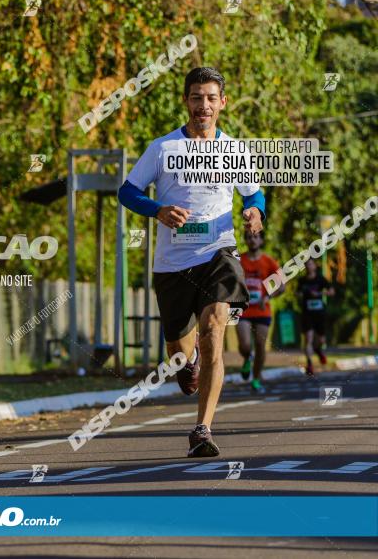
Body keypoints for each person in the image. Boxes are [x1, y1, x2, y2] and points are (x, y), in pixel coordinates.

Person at [118, 67, 265, 457]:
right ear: (187, 101)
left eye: (211, 98)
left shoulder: (234, 150)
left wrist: (254, 213)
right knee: (180, 354)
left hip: (219, 252)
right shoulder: (163, 149)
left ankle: (203, 429)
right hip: (172, 265)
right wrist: (157, 210)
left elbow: (254, 195)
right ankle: (190, 360)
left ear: (222, 103)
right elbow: (127, 191)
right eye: (197, 97)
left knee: (215, 328)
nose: (204, 105)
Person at [237, 230, 283, 393]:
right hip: (243, 310)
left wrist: (268, 297)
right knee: (245, 344)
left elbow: (281, 285)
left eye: (255, 237)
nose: (252, 240)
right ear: (246, 241)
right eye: (249, 237)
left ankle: (256, 379)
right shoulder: (239, 260)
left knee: (260, 345)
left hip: (262, 311)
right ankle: (246, 358)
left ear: (261, 240)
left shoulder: (269, 261)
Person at [298, 258, 335, 376]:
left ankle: (318, 350)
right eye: (306, 265)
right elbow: (297, 293)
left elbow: (332, 291)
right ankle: (309, 364)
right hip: (307, 313)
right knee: (308, 339)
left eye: (310, 264)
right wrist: (302, 293)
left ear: (314, 266)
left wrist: (322, 293)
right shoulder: (302, 280)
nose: (309, 267)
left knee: (321, 340)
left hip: (319, 313)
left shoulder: (320, 279)